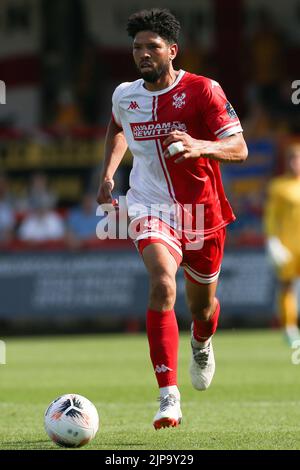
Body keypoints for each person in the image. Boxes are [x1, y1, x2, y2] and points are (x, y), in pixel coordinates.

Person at [96, 8, 248, 429]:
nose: (143, 54)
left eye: (152, 47)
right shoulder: (125, 95)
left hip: (203, 213)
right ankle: (168, 397)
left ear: (172, 51)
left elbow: (239, 148)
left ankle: (201, 341)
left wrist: (201, 145)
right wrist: (108, 174)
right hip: (148, 206)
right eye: (137, 47)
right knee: (163, 282)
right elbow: (117, 127)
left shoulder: (203, 90)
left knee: (202, 309)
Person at [264, 143, 300, 345]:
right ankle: (290, 328)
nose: (296, 163)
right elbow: (271, 216)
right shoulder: (278, 186)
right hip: (288, 246)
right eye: (293, 159)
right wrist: (272, 240)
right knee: (287, 287)